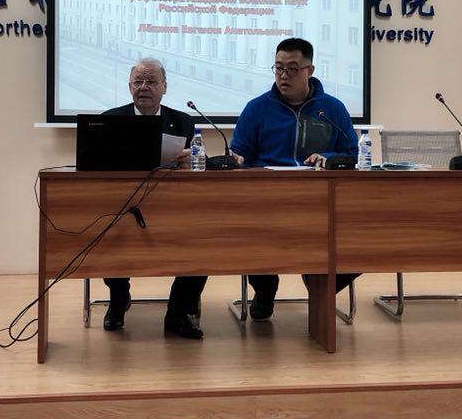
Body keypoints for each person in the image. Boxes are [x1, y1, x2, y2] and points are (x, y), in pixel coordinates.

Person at [229, 38, 360, 321]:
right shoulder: (257, 108)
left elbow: (351, 154)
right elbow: (240, 154)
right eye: (278, 68)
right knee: (246, 228)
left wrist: (328, 157)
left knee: (362, 235)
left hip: (319, 199)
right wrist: (235, 159)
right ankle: (265, 289)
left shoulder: (332, 109)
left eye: (292, 69)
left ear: (309, 70)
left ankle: (320, 284)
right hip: (267, 199)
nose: (283, 76)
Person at [102, 57, 207, 339]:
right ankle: (118, 298)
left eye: (151, 81)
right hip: (124, 205)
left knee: (201, 240)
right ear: (129, 87)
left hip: (174, 206)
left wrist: (190, 162)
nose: (144, 87)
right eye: (138, 82)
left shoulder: (183, 122)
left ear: (164, 87)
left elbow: (197, 168)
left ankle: (179, 313)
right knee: (106, 234)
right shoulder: (111, 120)